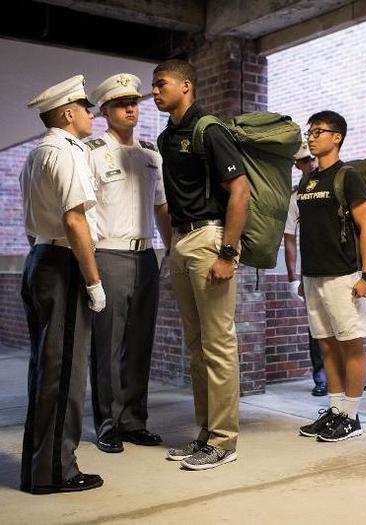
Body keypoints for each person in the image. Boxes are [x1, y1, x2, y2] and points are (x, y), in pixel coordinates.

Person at [153, 59, 250, 470]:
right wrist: (173, 244)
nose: (154, 92)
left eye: (161, 84)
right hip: (182, 240)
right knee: (197, 348)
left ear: (186, 85)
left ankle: (224, 441)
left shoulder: (209, 128)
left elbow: (240, 191)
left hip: (211, 238)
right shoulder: (165, 137)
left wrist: (227, 254)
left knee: (219, 344)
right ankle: (205, 434)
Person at [19, 75, 106, 494]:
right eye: (86, 107)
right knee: (65, 373)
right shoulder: (68, 153)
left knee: (45, 370)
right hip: (63, 265)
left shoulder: (36, 154)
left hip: (39, 260)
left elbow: (33, 226)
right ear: (68, 113)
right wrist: (93, 281)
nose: (92, 113)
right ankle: (58, 472)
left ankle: (37, 468)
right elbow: (75, 221)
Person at [86, 73, 172, 454]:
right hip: (108, 253)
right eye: (122, 103)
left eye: (135, 101)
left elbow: (162, 208)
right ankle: (107, 423)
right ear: (105, 110)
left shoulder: (152, 156)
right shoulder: (92, 152)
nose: (132, 108)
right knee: (108, 342)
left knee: (140, 342)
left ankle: (134, 420)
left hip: (146, 255)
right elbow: (82, 212)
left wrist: (172, 252)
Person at [296, 110, 366, 442]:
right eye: (309, 131)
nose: (311, 137)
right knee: (327, 346)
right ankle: (335, 410)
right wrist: (303, 277)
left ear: (336, 137)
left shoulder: (349, 177)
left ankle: (352, 417)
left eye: (318, 131)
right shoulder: (308, 180)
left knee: (351, 346)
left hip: (344, 277)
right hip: (314, 276)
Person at [284, 142, 327, 396]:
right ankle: (321, 377)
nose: (311, 163)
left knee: (345, 323)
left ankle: (351, 376)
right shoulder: (296, 196)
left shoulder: (334, 182)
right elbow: (290, 237)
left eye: (313, 158)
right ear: (297, 164)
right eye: (304, 160)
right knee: (317, 326)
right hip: (312, 269)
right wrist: (292, 278)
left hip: (340, 267)